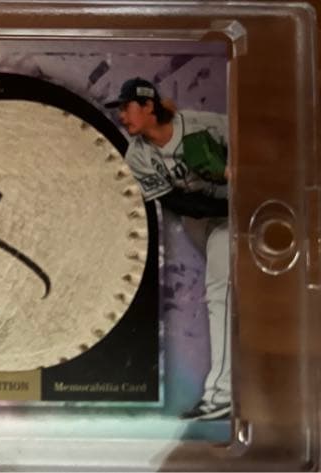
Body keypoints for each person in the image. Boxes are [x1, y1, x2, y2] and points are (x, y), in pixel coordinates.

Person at [105, 78, 231, 420]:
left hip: (231, 215)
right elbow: (175, 202)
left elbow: (257, 145)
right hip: (200, 219)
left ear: (148, 105)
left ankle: (221, 396)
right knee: (227, 291)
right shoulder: (137, 155)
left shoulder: (203, 124)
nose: (121, 116)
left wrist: (233, 172)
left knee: (219, 292)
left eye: (126, 107)